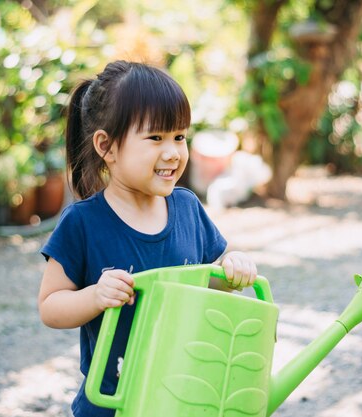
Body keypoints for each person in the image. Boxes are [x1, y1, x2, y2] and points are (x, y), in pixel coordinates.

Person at [37, 60, 257, 417]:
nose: (172, 152)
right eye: (156, 138)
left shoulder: (187, 207)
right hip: (111, 402)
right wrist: (96, 295)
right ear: (107, 146)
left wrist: (233, 269)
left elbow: (209, 281)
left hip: (184, 395)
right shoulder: (83, 223)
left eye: (180, 137)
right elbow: (50, 306)